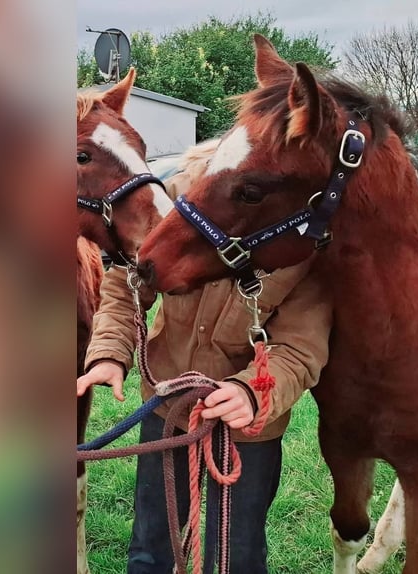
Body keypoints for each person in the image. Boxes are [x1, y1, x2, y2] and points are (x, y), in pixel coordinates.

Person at [76, 148, 332, 574]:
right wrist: (109, 353)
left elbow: (301, 348)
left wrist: (251, 392)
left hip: (248, 427)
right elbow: (126, 284)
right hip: (168, 403)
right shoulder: (173, 202)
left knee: (237, 554)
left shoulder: (304, 242)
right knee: (150, 547)